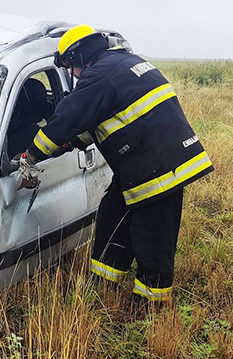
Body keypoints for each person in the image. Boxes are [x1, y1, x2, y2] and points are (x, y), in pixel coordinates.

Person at [19, 24, 213, 304]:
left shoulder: (98, 76)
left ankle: (149, 307)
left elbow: (65, 120)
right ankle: (102, 285)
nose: (73, 74)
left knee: (152, 238)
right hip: (146, 162)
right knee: (112, 216)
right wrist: (71, 143)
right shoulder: (123, 63)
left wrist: (31, 155)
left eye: (70, 67)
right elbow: (102, 120)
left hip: (158, 168)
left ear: (79, 57)